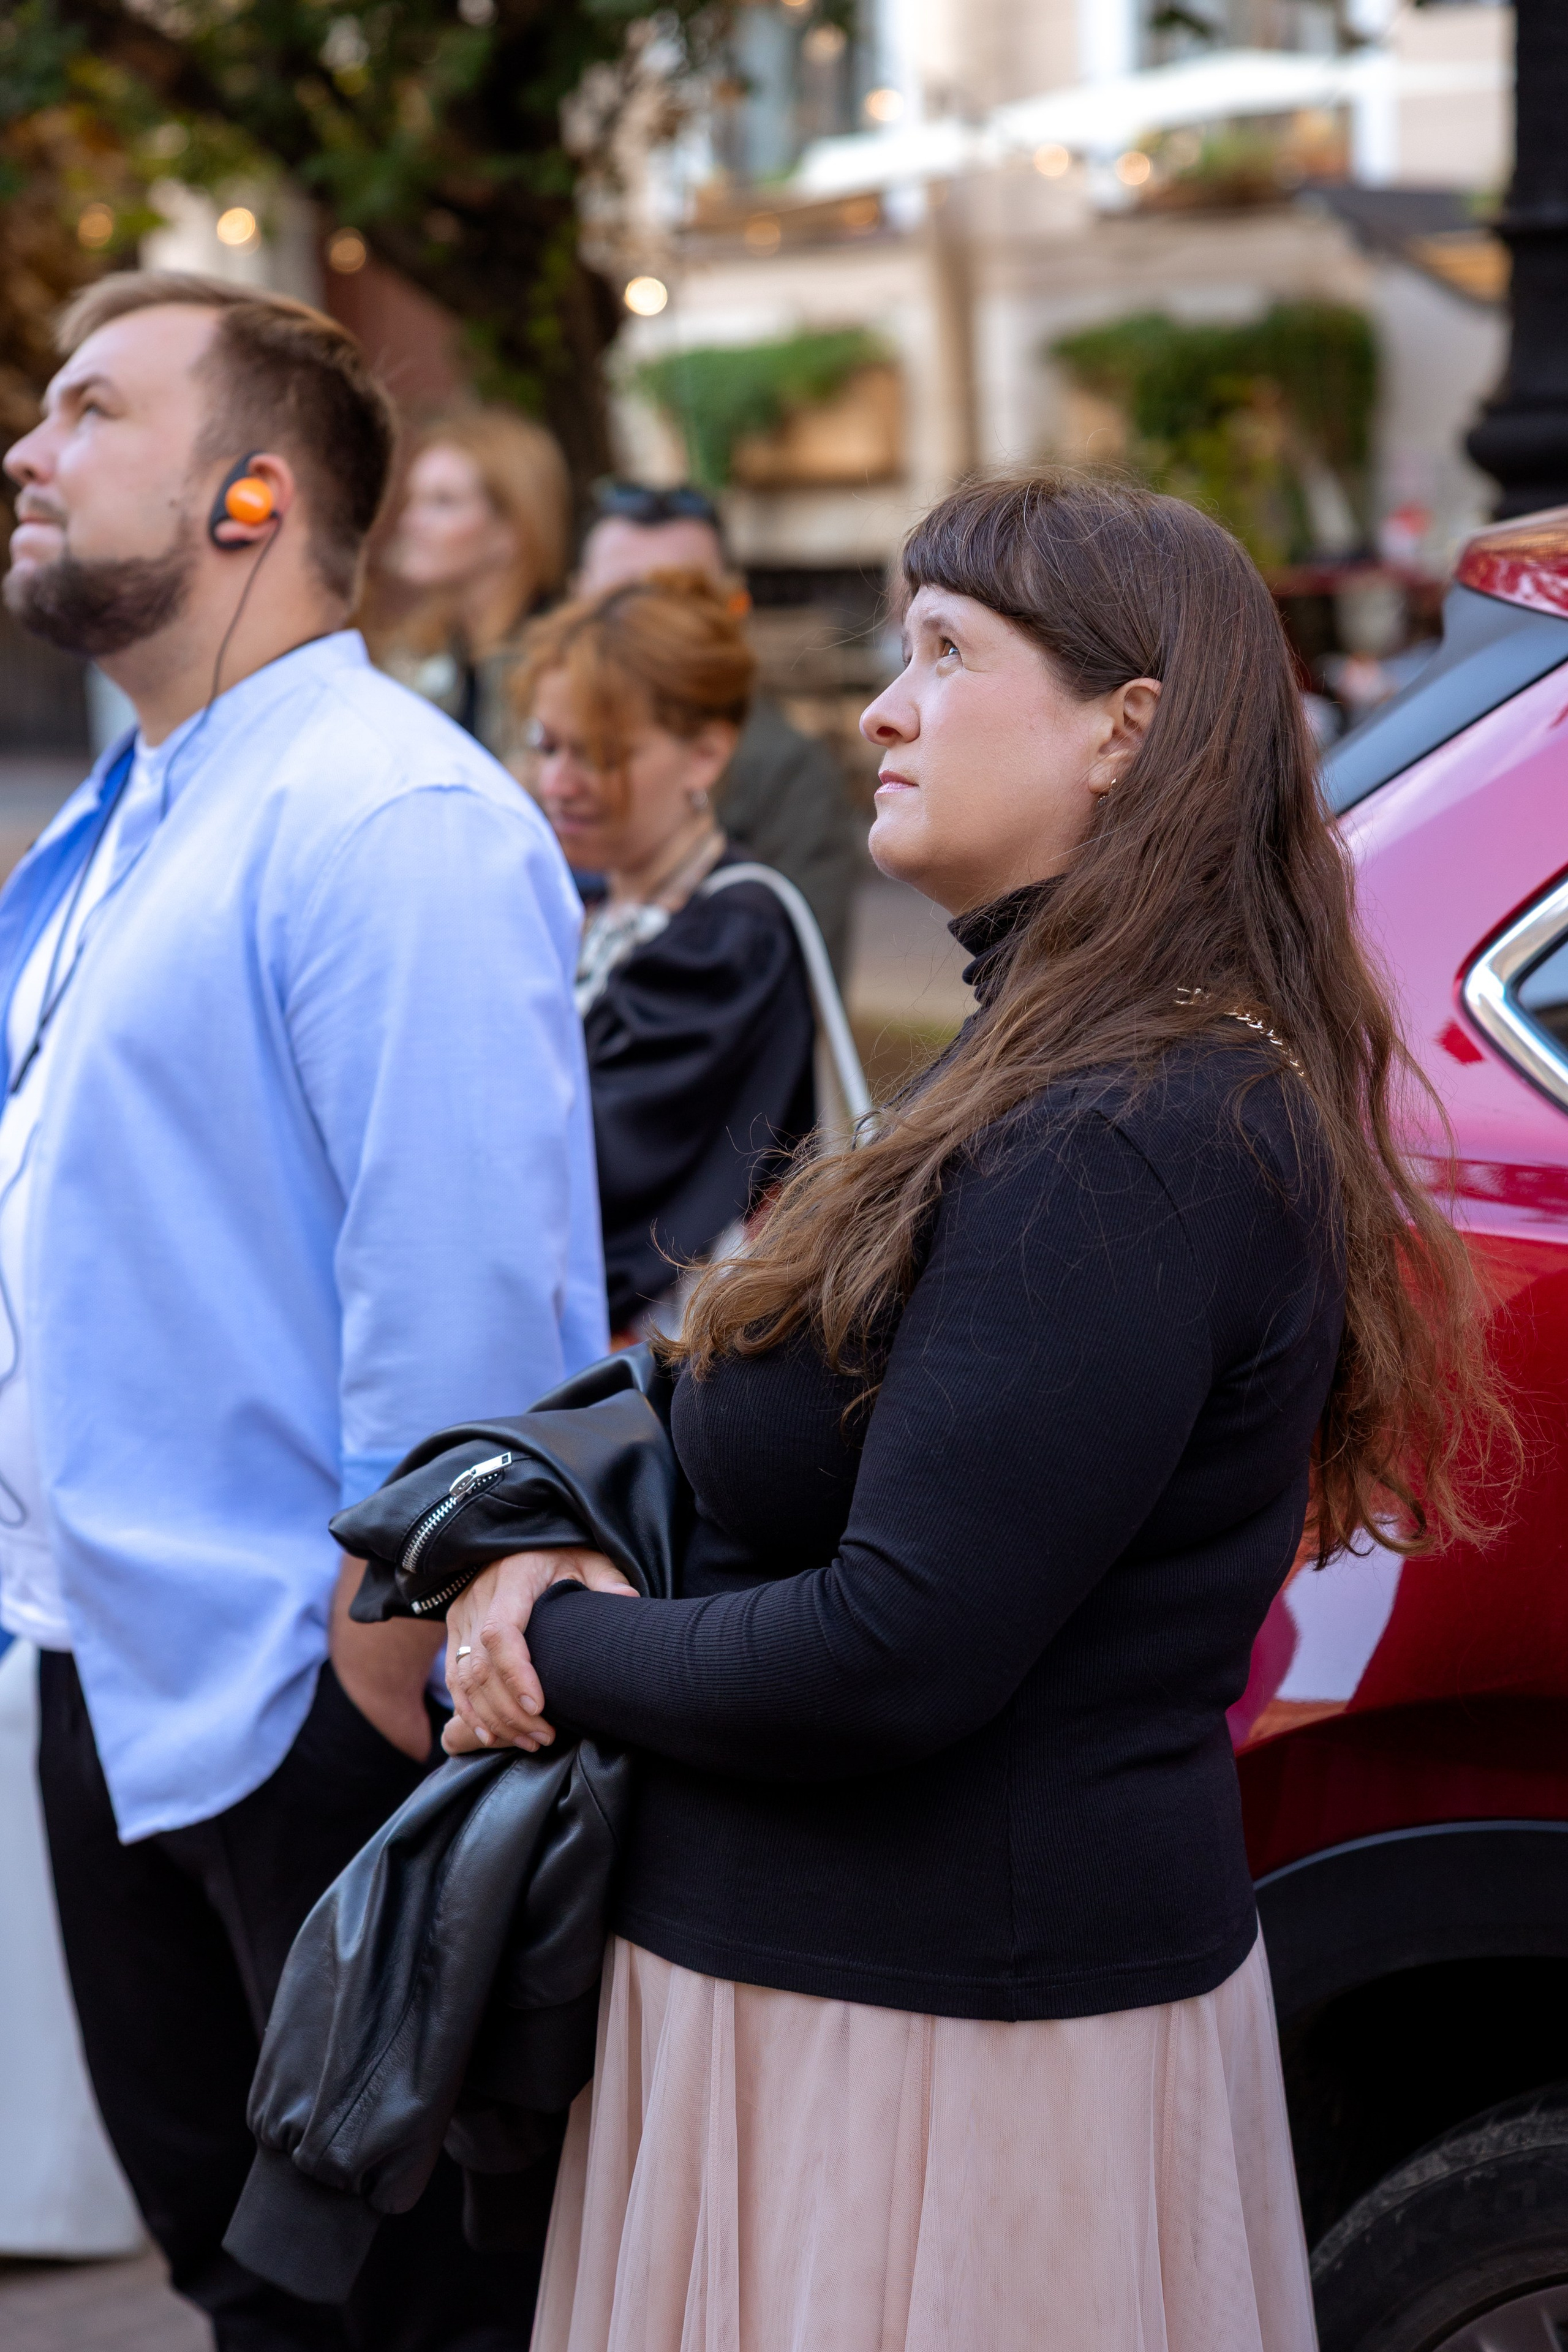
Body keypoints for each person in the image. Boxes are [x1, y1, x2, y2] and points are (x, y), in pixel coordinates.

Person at [436, 474, 1513, 2351]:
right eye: (893, 649)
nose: (879, 703)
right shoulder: (1086, 1068)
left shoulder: (1132, 1128)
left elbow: (895, 1649)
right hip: (881, 2002)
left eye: (944, 653)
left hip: (931, 2051)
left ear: (1127, 725)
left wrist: (558, 1641)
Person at [0, 270, 605, 2351]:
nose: (28, 448)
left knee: (395, 2307)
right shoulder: (139, 810)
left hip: (307, 1695)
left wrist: (382, 1660)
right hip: (111, 1664)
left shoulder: (385, 810)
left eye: (89, 412)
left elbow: (469, 1289)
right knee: (233, 2281)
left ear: (250, 496)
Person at [518, 569, 816, 1336]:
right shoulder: (595, 906)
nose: (557, 781)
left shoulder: (733, 932)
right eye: (545, 745)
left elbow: (602, 1168)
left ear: (705, 755)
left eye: (599, 754)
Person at [575, 482, 863, 973]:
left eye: (678, 594)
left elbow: (795, 987)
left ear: (734, 606)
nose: (648, 624)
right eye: (622, 597)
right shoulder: (532, 743)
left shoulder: (789, 773)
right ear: (576, 598)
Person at [374, 407, 571, 764]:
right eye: (413, 500)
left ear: (512, 530)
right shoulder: (413, 653)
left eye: (442, 502)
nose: (410, 522)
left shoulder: (565, 662)